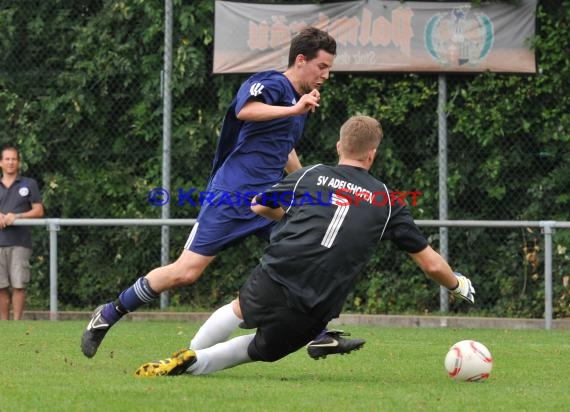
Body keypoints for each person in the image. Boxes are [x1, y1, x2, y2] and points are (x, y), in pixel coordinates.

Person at [82, 26, 365, 360]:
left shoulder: (296, 105)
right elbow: (246, 109)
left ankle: (318, 334)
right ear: (301, 60)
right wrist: (294, 109)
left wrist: (302, 182)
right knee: (186, 272)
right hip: (231, 194)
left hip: (267, 199)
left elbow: (282, 147)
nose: (326, 75)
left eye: (329, 68)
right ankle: (110, 312)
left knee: (306, 251)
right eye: (322, 66)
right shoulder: (272, 84)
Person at [133, 115, 475, 377]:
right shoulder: (387, 201)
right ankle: (195, 363)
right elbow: (430, 264)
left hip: (281, 269)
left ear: (340, 147)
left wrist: (288, 217)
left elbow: (258, 205)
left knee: (240, 310)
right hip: (321, 300)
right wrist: (457, 284)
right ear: (372, 154)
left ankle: (190, 351)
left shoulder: (310, 175)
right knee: (258, 349)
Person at [0, 146, 45, 320]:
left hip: (20, 242)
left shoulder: (28, 184)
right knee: (1, 286)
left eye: (14, 159)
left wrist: (16, 216)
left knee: (19, 285)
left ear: (18, 162)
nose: (10, 162)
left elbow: (39, 210)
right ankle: (4, 325)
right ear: (1, 162)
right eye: (7, 159)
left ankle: (17, 324)